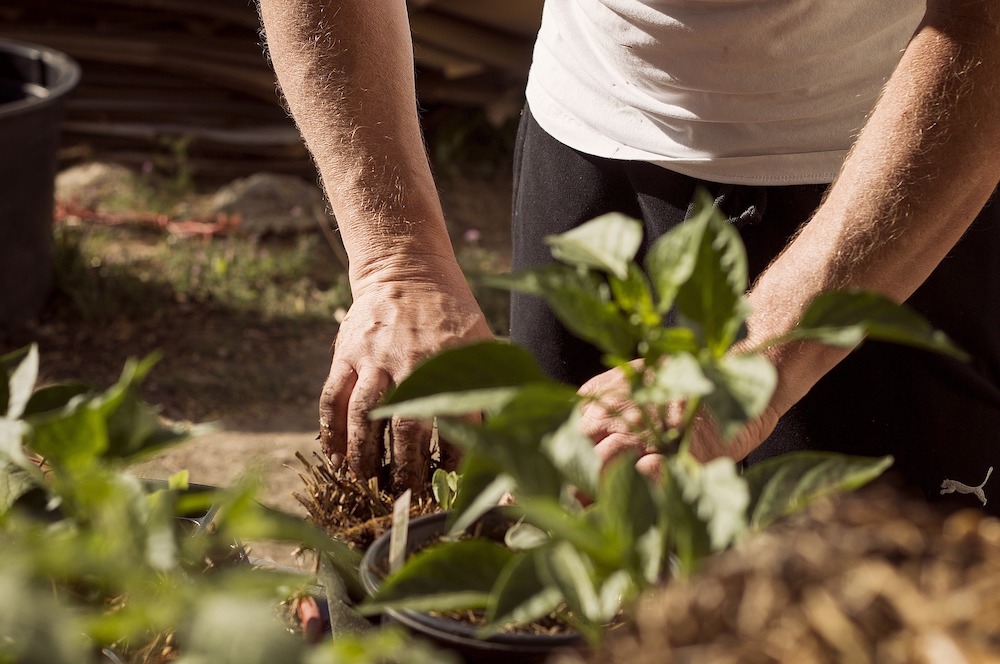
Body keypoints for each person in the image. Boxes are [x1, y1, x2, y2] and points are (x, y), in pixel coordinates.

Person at [258, 0, 1000, 512]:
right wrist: (398, 259)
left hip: (890, 178)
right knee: (564, 572)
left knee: (847, 615)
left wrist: (751, 361)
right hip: (586, 143)